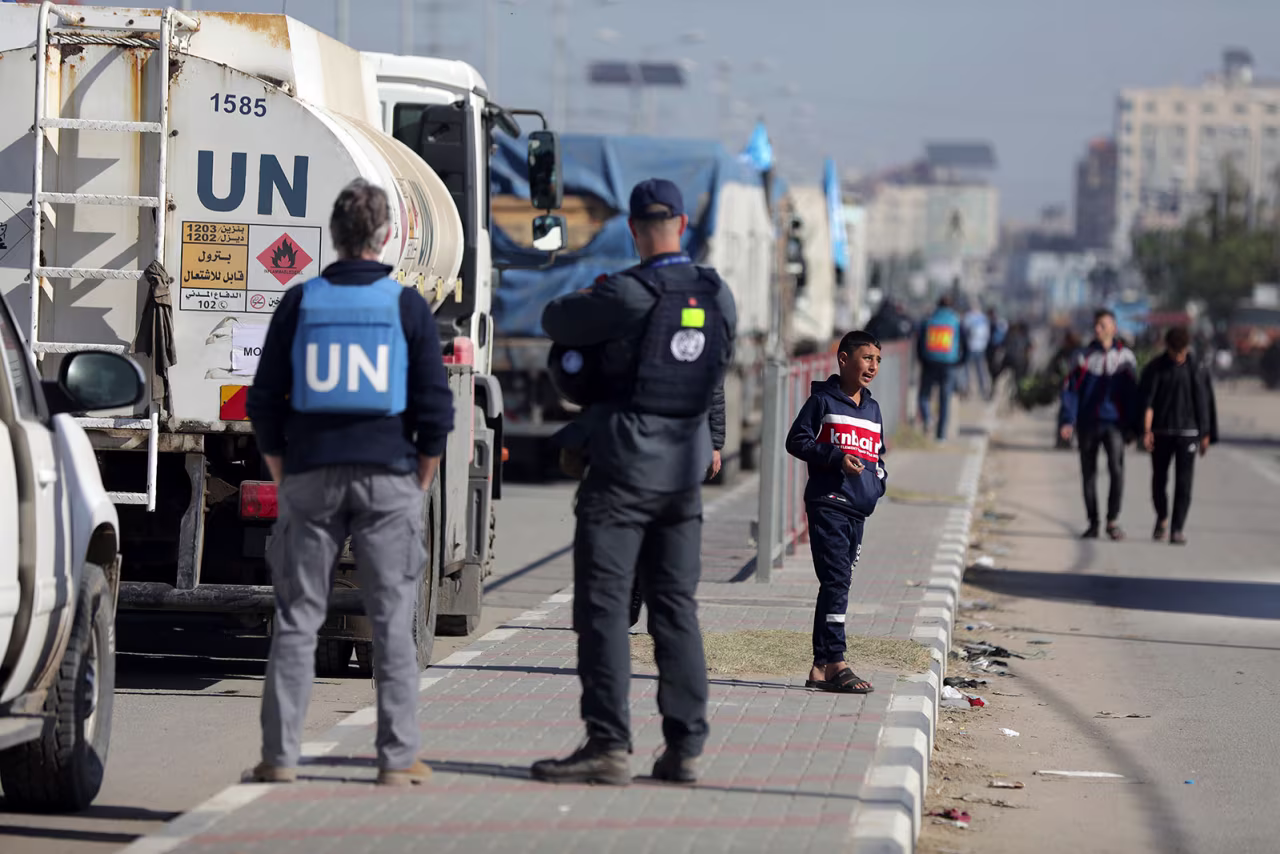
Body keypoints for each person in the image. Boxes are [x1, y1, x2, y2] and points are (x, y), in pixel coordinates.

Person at [245, 179, 454, 787]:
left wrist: (284, 470)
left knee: (297, 619)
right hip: (388, 476)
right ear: (386, 236)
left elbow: (263, 400)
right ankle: (395, 760)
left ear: (335, 238)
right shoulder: (406, 306)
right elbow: (435, 410)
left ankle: (280, 757)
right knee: (392, 619)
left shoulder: (301, 301)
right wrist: (420, 476)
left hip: (310, 475)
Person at [531, 179, 736, 787]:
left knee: (603, 608)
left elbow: (555, 318)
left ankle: (608, 745)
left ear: (634, 229)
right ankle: (685, 748)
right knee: (675, 610)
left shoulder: (627, 291)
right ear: (683, 221)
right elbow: (711, 369)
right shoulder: (717, 294)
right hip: (683, 478)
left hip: (621, 472)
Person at [784, 330, 887, 694]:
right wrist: (835, 458)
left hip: (858, 511)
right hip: (828, 504)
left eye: (877, 360)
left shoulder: (872, 409)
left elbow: (879, 455)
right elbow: (796, 441)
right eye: (866, 358)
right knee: (837, 581)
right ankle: (837, 661)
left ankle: (819, 667)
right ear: (843, 359)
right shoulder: (823, 402)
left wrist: (878, 483)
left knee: (836, 583)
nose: (872, 366)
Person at [1059, 309, 1140, 540]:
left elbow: (1132, 396)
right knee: (1089, 474)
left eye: (1103, 325)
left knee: (1117, 470)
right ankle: (1093, 522)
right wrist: (1068, 420)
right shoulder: (1082, 357)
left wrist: (1134, 427)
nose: (1098, 329)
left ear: (1113, 327)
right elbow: (1071, 391)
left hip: (1114, 424)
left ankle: (1112, 520)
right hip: (1087, 423)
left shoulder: (1126, 358)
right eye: (1096, 325)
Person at [1140, 326, 1218, 545]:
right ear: (1167, 348)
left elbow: (1204, 403)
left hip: (1188, 434)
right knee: (1159, 481)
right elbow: (1148, 403)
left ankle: (1177, 529)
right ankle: (1162, 516)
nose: (1179, 357)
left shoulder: (1197, 368)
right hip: (1161, 433)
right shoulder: (1156, 369)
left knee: (1184, 483)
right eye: (1176, 353)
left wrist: (1205, 435)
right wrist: (1146, 431)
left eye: (1182, 352)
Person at [916, 295, 967, 440]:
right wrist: (960, 361)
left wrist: (922, 359)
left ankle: (927, 418)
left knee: (924, 395)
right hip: (949, 365)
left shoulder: (928, 320)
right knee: (945, 399)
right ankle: (941, 435)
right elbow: (965, 344)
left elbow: (919, 343)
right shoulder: (956, 322)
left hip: (929, 362)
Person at [962, 302, 992, 400]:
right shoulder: (983, 318)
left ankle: (967, 388)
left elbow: (963, 331)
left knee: (967, 370)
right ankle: (982, 389)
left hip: (970, 346)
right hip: (980, 347)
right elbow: (987, 333)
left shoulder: (968, 317)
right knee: (980, 370)